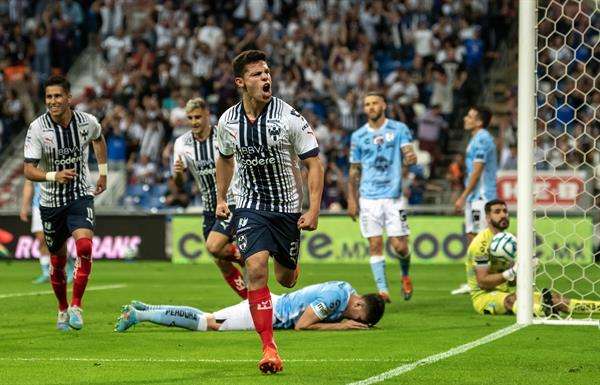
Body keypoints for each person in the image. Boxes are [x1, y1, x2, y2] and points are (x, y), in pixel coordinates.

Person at [215, 50, 324, 374]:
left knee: (285, 278)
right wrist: (222, 197)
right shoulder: (228, 122)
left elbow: (313, 163)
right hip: (249, 205)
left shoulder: (288, 117)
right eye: (257, 74)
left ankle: (287, 261)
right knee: (256, 268)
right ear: (241, 83)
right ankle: (269, 347)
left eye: (267, 72)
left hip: (287, 208)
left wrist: (314, 209)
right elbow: (224, 158)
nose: (266, 78)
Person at [23, 75, 107, 331]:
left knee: (84, 245)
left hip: (79, 195)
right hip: (50, 202)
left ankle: (77, 306)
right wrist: (53, 176)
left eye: (58, 96)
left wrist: (102, 172)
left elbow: (99, 138)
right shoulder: (38, 128)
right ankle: (61, 309)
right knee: (57, 261)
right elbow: (28, 169)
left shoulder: (86, 122)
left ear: (69, 98)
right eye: (49, 97)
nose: (53, 101)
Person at [467, 199, 600, 316]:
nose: (503, 215)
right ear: (488, 218)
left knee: (555, 299)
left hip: (506, 292)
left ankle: (597, 307)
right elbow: (482, 282)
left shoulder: (509, 241)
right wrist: (512, 272)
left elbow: (512, 282)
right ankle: (542, 311)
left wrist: (528, 269)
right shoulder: (481, 245)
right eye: (497, 212)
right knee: (511, 300)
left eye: (505, 211)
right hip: (484, 298)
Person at [172, 97, 246, 299]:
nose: (194, 121)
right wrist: (178, 174)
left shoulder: (222, 136)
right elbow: (179, 184)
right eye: (190, 118)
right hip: (208, 207)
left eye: (198, 117)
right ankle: (249, 300)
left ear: (207, 115)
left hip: (231, 202)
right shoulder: (181, 143)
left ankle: (245, 254)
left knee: (213, 246)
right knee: (220, 259)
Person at [347, 92, 417, 303]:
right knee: (375, 244)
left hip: (393, 197)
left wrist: (411, 157)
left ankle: (405, 274)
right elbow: (354, 170)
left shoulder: (398, 129)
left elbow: (408, 151)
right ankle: (383, 290)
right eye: (367, 104)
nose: (371, 107)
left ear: (384, 105)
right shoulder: (358, 136)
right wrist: (351, 199)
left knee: (400, 246)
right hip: (368, 198)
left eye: (375, 103)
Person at [114, 281, 385, 333]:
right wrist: (342, 326)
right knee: (208, 323)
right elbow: (303, 325)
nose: (354, 319)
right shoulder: (337, 299)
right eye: (357, 315)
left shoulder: (346, 289)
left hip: (273, 305)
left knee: (210, 318)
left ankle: (146, 307)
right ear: (359, 303)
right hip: (270, 312)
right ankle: (139, 315)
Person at [453, 106, 497, 295]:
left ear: (479, 121)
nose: (465, 118)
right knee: (472, 238)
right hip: (474, 197)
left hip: (482, 196)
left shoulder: (482, 139)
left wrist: (463, 196)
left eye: (470, 116)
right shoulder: (475, 138)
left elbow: (478, 170)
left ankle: (491, 280)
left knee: (483, 240)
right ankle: (475, 281)